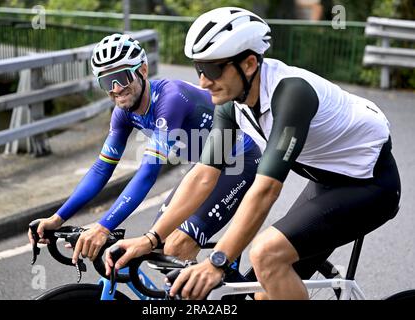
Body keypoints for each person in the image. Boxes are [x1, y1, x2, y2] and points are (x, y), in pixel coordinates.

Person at [105, 7, 401, 300]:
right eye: (199, 69)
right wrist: (150, 239)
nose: (203, 82)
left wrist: (217, 262)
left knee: (266, 254)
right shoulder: (230, 102)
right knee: (261, 293)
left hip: (370, 185)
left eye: (212, 69)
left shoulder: (291, 94)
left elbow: (266, 189)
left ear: (248, 64)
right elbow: (204, 176)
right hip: (326, 182)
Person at [27, 33, 261, 264]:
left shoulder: (171, 99)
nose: (117, 88)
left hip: (239, 162)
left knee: (177, 246)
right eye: (107, 82)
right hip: (205, 167)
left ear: (143, 71)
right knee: (158, 246)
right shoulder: (122, 114)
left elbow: (148, 173)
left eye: (122, 77)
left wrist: (103, 227)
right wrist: (57, 218)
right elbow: (101, 170)